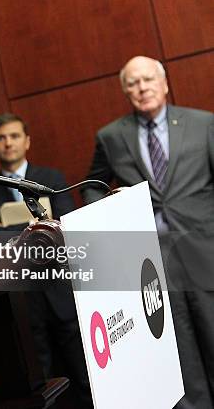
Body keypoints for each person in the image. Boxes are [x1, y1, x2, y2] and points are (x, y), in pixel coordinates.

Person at [82, 55, 214, 408]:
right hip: (151, 261)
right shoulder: (111, 136)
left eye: (148, 80)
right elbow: (91, 185)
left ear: (165, 83)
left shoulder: (204, 124)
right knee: (177, 350)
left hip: (204, 251)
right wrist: (111, 203)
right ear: (125, 92)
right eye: (133, 84)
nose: (141, 88)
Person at [0, 113, 92, 408]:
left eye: (14, 136)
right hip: (23, 301)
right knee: (43, 388)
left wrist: (6, 229)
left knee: (84, 377)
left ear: (27, 141)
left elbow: (64, 227)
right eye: (1, 138)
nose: (8, 143)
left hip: (60, 293)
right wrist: (36, 226)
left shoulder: (51, 179)